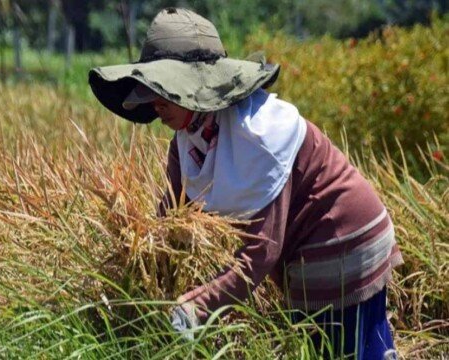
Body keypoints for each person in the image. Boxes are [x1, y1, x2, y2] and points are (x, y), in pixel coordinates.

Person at [88, 7, 403, 359]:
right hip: (299, 254)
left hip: (342, 238)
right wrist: (141, 262)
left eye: (167, 90)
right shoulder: (186, 137)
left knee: (348, 347)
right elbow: (173, 212)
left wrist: (197, 305)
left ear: (197, 87)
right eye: (153, 90)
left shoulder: (261, 136)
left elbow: (261, 250)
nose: (157, 104)